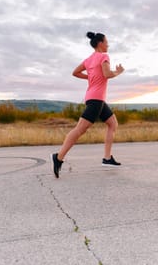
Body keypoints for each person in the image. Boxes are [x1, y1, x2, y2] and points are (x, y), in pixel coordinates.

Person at [51, 32, 125, 178]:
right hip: (96, 99)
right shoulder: (104, 56)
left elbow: (75, 72)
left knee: (113, 124)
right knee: (79, 130)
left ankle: (107, 158)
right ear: (100, 43)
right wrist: (118, 71)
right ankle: (58, 157)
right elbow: (107, 74)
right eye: (106, 42)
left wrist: (90, 77)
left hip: (95, 98)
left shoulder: (89, 59)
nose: (108, 44)